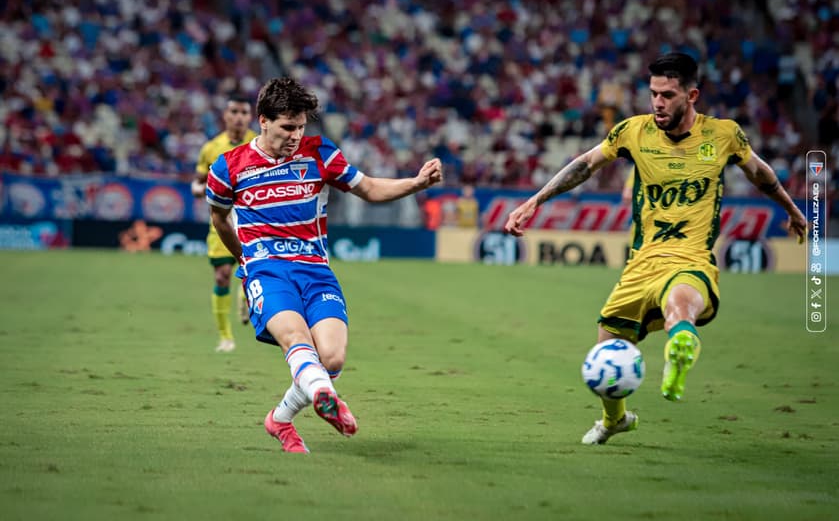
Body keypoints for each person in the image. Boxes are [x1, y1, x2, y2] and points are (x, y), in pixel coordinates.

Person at [504, 53, 807, 445]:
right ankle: (615, 420)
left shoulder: (724, 135)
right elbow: (584, 164)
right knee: (605, 353)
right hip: (640, 264)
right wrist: (535, 200)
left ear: (691, 95)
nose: (658, 102)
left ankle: (679, 350)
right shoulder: (634, 131)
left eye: (667, 94)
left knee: (679, 308)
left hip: (690, 259)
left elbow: (761, 173)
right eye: (653, 94)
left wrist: (793, 209)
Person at [205, 77, 443, 453]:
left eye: (300, 126)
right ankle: (327, 399)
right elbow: (219, 219)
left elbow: (368, 189)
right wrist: (245, 259)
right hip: (267, 270)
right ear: (263, 120)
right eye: (287, 127)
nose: (296, 135)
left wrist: (416, 182)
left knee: (332, 357)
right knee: (297, 341)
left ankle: (281, 419)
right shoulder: (228, 167)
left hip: (315, 270)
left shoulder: (320, 153)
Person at [191, 93, 258, 352]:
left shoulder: (259, 142)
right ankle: (225, 337)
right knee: (221, 276)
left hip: (253, 219)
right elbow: (197, 181)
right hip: (222, 219)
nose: (239, 117)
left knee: (252, 269)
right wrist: (199, 188)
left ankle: (246, 295)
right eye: (235, 112)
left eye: (244, 112)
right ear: (226, 116)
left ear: (250, 117)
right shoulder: (211, 148)